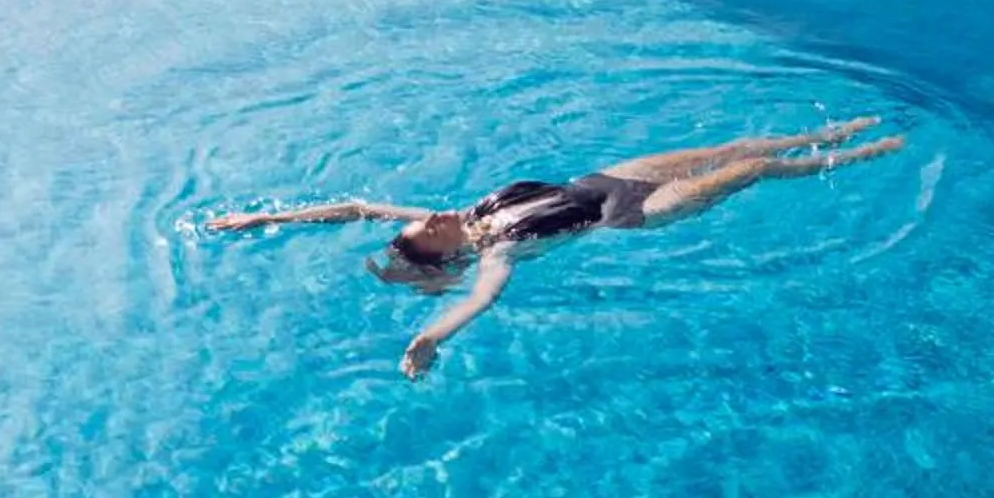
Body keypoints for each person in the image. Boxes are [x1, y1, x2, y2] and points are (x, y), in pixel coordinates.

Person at [207, 119, 905, 377]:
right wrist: (430, 338)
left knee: (728, 148)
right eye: (431, 228)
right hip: (634, 213)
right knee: (747, 172)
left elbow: (358, 207)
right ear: (444, 253)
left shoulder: (471, 214)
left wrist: (261, 221)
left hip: (605, 178)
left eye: (427, 219)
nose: (435, 215)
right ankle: (855, 156)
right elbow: (481, 300)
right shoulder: (496, 255)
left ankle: (835, 132)